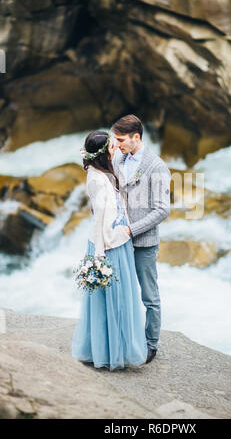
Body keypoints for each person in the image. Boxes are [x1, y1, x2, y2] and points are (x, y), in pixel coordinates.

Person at [72, 130, 147, 370]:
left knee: (121, 298)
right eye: (112, 148)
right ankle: (110, 352)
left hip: (118, 240)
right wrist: (100, 253)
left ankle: (117, 348)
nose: (116, 150)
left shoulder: (103, 170)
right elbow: (100, 217)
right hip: (108, 245)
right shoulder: (96, 179)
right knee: (113, 301)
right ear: (104, 154)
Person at [111, 115, 171, 364]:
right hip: (118, 241)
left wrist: (131, 230)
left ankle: (151, 345)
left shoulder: (157, 167)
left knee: (149, 296)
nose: (117, 144)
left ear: (137, 137)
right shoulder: (118, 159)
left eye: (121, 139)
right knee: (122, 293)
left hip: (143, 243)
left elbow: (162, 210)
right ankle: (125, 339)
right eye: (115, 139)